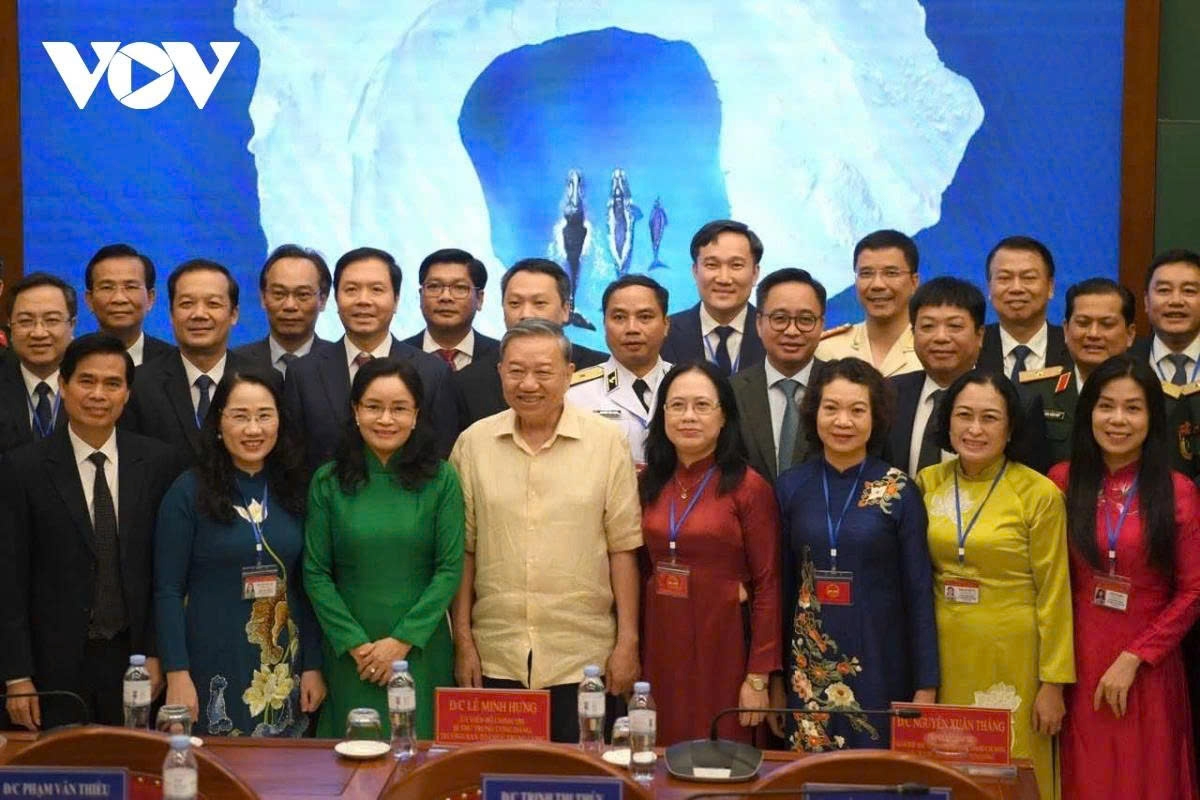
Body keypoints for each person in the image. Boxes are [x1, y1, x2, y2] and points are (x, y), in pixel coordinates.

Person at [450, 319, 642, 743]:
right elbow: (463, 551)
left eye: (543, 371)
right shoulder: (472, 444)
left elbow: (623, 548)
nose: (529, 383)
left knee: (580, 782)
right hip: (495, 656)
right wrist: (463, 640)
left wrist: (627, 641)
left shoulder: (607, 443)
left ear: (569, 374)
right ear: (500, 372)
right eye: (516, 371)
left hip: (583, 656)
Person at [0, 334, 175, 728]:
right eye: (86, 381)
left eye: (112, 384)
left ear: (128, 394)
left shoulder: (158, 463)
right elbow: (8, 579)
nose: (99, 394)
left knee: (132, 774)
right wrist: (16, 675)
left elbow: (164, 571)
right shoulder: (21, 469)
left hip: (133, 661)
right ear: (63, 386)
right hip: (51, 668)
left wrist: (156, 652)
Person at [915, 370, 1074, 800]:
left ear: (1010, 427)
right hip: (943, 655)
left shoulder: (1038, 493)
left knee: (1013, 773)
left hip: (1015, 657)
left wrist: (1054, 682)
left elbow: (1055, 589)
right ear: (947, 421)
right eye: (964, 415)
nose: (974, 429)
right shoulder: (926, 483)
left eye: (989, 418)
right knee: (946, 769)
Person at [1048, 355, 1200, 799]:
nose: (1118, 419)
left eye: (1133, 408)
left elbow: (1193, 590)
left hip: (1148, 668)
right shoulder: (1060, 482)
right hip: (1076, 664)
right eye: (1105, 406)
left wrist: (1136, 656)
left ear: (1152, 417)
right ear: (1088, 412)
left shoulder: (1177, 490)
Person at [774, 357, 938, 750]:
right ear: (814, 413)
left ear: (875, 416)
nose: (842, 421)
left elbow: (919, 592)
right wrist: (776, 680)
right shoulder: (791, 487)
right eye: (831, 408)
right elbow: (778, 589)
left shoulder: (899, 490)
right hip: (808, 666)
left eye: (857, 410)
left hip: (882, 660)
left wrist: (926, 685)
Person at [155, 370, 324, 736]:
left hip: (280, 662)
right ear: (218, 424)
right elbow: (167, 590)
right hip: (208, 659)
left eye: (264, 415)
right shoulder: (187, 492)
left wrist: (313, 664)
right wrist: (176, 673)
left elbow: (307, 585)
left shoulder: (294, 488)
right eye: (240, 416)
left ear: (280, 421)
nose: (253, 429)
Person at [303, 357, 463, 739]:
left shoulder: (441, 479)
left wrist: (401, 641)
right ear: (355, 411)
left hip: (420, 649)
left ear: (417, 414)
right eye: (373, 407)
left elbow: (449, 568)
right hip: (349, 653)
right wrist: (356, 644)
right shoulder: (328, 479)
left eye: (399, 408)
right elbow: (315, 571)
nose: (386, 420)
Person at [637, 361, 780, 745]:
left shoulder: (748, 488)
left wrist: (758, 677)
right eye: (677, 405)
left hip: (726, 644)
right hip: (661, 639)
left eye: (702, 406)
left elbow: (768, 585)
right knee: (662, 753)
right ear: (662, 414)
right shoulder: (647, 482)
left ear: (724, 417)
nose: (688, 417)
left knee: (722, 756)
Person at [283, 246, 457, 470]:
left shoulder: (433, 372)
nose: (363, 300)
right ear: (336, 299)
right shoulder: (303, 373)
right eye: (351, 289)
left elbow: (441, 457)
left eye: (376, 290)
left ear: (395, 300)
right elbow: (293, 462)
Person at [886, 277, 1049, 476]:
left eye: (954, 326)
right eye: (928, 326)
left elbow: (1029, 484)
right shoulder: (888, 394)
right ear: (913, 333)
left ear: (980, 335)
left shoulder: (1020, 402)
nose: (941, 337)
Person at [122, 259, 270, 469]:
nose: (199, 314)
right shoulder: (139, 385)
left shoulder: (264, 380)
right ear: (172, 314)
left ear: (234, 314)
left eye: (213, 304)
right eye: (187, 304)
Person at [453, 258, 607, 429]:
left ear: (565, 309)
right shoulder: (469, 382)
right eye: (515, 303)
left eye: (539, 303)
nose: (525, 314)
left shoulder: (602, 369)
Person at [1020, 279, 1136, 466]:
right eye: (1083, 323)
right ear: (1066, 330)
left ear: (1130, 334)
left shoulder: (1154, 396)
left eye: (1107, 324)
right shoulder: (1035, 392)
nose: (1093, 334)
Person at [731, 268, 825, 483]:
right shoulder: (731, 391)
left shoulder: (840, 387)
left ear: (821, 324)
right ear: (758, 323)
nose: (792, 331)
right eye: (780, 318)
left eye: (805, 319)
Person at [566, 275, 671, 465]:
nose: (632, 328)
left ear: (666, 325)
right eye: (619, 317)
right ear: (604, 324)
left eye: (645, 317)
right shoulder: (573, 394)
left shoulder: (686, 385)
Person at [660, 220, 765, 376]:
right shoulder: (664, 333)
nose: (724, 279)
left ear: (755, 273)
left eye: (736, 265)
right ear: (695, 271)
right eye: (712, 265)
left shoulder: (774, 332)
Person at [1129, 249, 1200, 479]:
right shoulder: (1124, 362)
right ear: (1147, 302)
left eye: (1189, 291)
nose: (1176, 301)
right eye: (1164, 291)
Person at [816, 230, 922, 377]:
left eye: (891, 273)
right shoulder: (826, 350)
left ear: (914, 282)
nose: (877, 284)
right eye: (866, 273)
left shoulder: (933, 350)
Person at [0, 273, 75, 454]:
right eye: (26, 321)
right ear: (10, 327)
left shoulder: (93, 382)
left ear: (72, 325)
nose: (39, 333)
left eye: (51, 320)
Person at [977, 236, 1072, 380]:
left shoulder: (1073, 346)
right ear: (989, 288)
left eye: (1028, 278)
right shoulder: (972, 347)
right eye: (1004, 278)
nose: (1016, 288)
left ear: (1050, 287)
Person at [233, 244, 332, 377]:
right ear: (263, 298)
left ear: (323, 300)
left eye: (302, 294)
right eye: (279, 293)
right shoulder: (235, 364)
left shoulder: (341, 364)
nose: (290, 306)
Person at [401, 248, 499, 371]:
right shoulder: (395, 357)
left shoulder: (502, 357)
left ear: (479, 299)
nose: (445, 297)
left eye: (459, 287)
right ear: (421, 295)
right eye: (434, 286)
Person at [83, 244, 173, 367]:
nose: (119, 298)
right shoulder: (70, 359)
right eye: (107, 287)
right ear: (89, 300)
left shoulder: (174, 362)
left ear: (150, 298)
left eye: (131, 287)